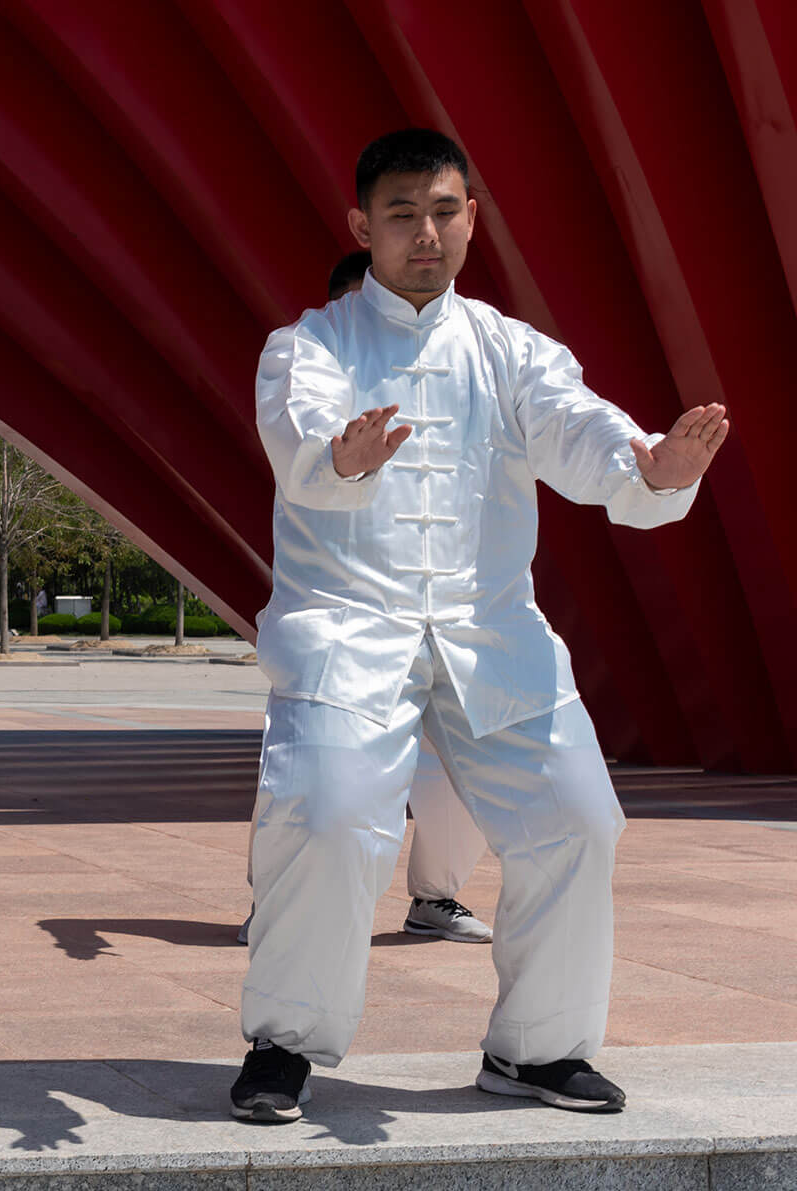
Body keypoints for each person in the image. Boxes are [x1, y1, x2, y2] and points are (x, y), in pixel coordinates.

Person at [234, 129, 728, 1122]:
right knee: (325, 819)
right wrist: (347, 456)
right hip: (350, 628)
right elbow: (302, 439)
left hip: (489, 631)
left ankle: (538, 1052)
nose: (427, 233)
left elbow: (580, 429)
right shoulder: (310, 346)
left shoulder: (510, 350)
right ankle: (284, 1046)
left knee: (579, 822)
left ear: (474, 218)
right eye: (405, 214)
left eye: (445, 212)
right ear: (362, 227)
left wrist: (646, 466)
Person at [236, 250, 492, 949]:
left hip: (441, 623)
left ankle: (435, 896)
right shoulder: (307, 391)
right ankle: (278, 905)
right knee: (305, 779)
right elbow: (305, 462)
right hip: (340, 626)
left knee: (467, 769)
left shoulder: (448, 388)